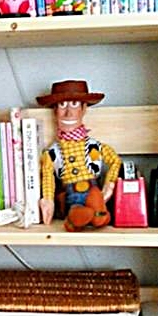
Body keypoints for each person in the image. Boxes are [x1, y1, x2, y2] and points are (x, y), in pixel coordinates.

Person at [36, 79, 122, 231]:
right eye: (62, 105)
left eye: (74, 104)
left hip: (93, 191)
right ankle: (78, 217)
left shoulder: (94, 147)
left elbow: (115, 160)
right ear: (55, 110)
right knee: (76, 209)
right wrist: (48, 199)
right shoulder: (52, 153)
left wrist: (110, 183)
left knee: (95, 197)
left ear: (84, 109)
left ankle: (97, 214)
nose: (68, 113)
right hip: (70, 194)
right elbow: (48, 177)